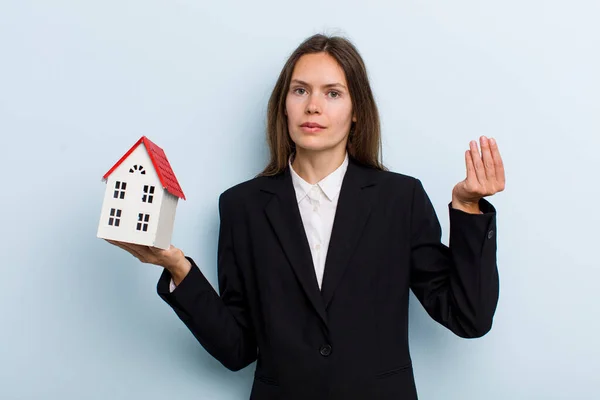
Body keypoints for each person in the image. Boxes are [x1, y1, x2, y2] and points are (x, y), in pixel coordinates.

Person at [107, 33, 505, 400]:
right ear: (284, 106)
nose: (313, 105)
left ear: (356, 113)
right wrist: (178, 268)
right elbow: (238, 349)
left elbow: (469, 317)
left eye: (333, 93)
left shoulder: (400, 199)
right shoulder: (241, 207)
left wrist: (467, 209)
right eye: (301, 91)